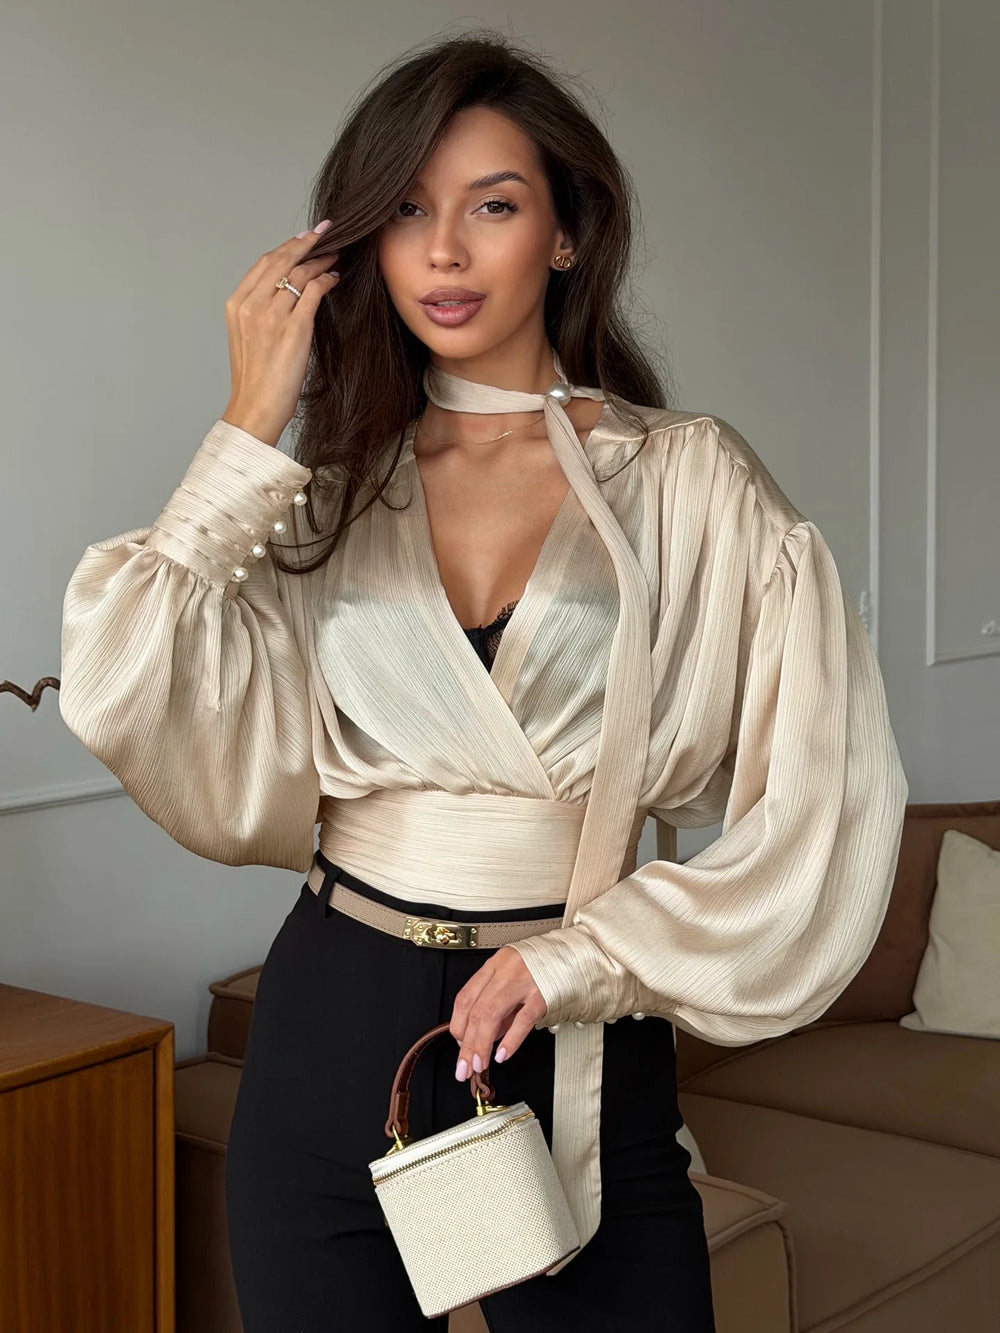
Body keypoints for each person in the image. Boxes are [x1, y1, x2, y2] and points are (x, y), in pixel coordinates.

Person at [57, 29, 908, 1333]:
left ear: (566, 233)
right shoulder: (328, 489)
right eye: (406, 212)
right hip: (329, 1028)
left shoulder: (685, 479)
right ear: (361, 247)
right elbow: (125, 685)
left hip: (570, 1030)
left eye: (492, 207)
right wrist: (248, 423)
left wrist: (586, 956)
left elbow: (827, 798)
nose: (444, 250)